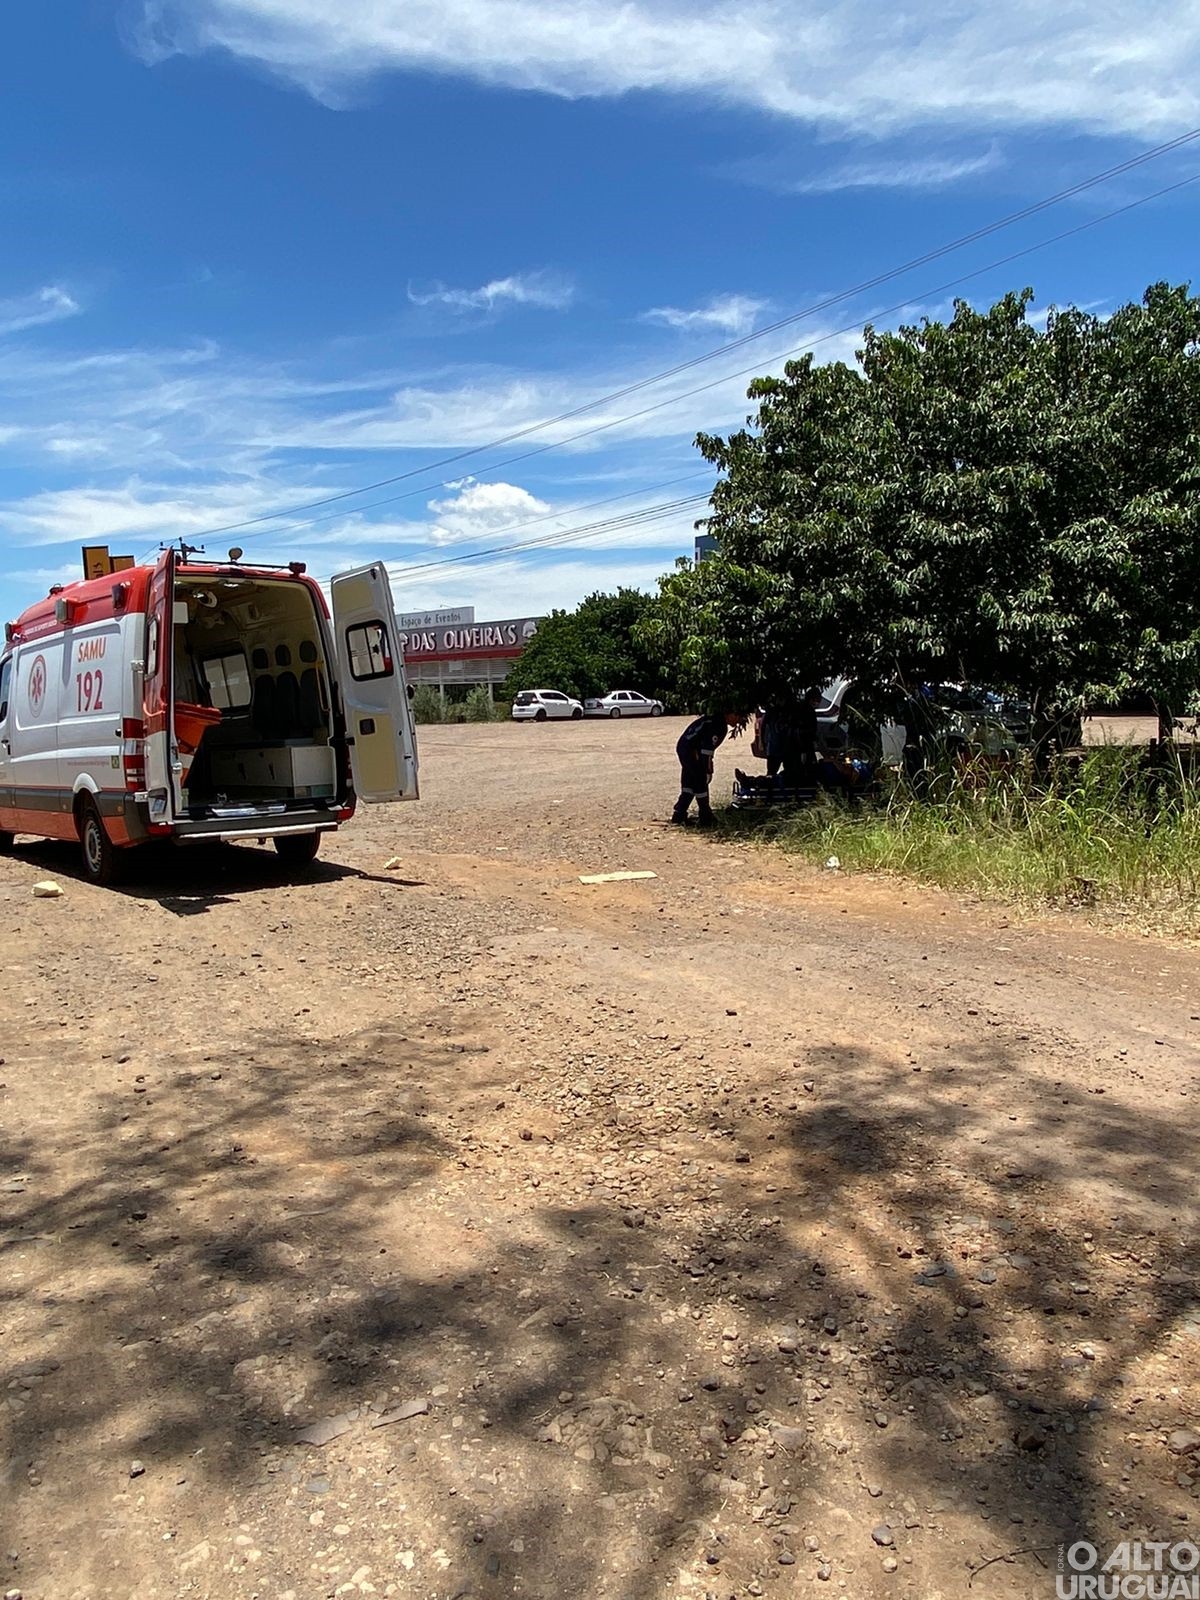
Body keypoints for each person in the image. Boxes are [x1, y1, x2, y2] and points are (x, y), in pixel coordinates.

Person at [671, 710, 739, 825]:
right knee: (700, 780)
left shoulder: (712, 720)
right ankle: (705, 816)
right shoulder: (718, 725)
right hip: (691, 751)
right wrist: (708, 770)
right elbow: (706, 751)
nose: (738, 719)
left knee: (689, 782)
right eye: (736, 715)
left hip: (685, 747)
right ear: (728, 713)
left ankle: (679, 814)